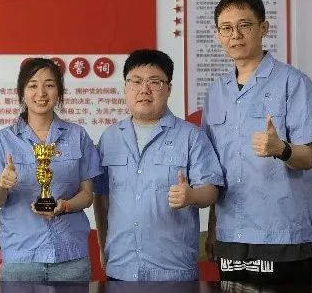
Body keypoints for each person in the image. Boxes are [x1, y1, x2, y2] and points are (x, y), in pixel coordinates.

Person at [203, 0, 312, 286]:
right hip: (231, 235)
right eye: (226, 28)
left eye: (244, 25)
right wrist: (213, 229)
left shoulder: (293, 82)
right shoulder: (216, 92)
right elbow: (213, 172)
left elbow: (308, 157)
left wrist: (281, 149)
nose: (235, 35)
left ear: (263, 28)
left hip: (283, 235)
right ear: (218, 35)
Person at [94, 49, 223, 281]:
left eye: (155, 82)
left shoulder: (191, 136)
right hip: (121, 268)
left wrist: (191, 196)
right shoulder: (110, 138)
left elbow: (211, 191)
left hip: (173, 271)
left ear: (169, 89)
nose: (144, 89)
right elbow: (102, 198)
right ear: (126, 87)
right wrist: (103, 246)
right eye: (136, 81)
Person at [0, 58, 101, 281]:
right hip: (20, 258)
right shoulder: (4, 139)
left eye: (49, 85)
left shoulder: (77, 135)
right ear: (22, 92)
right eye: (33, 85)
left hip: (70, 257)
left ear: (59, 91)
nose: (41, 93)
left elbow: (87, 195)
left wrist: (64, 206)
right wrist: (1, 184)